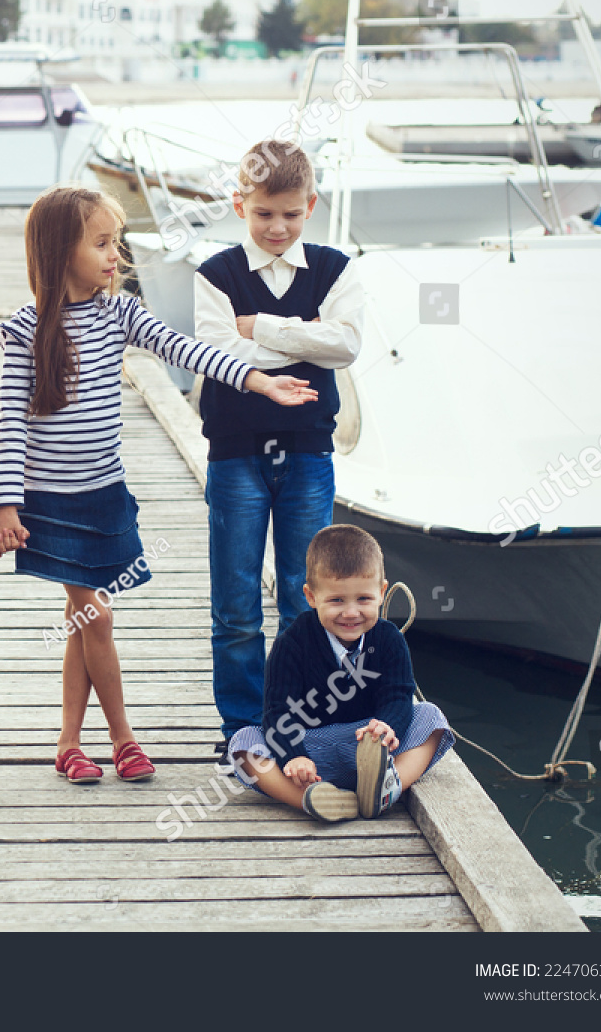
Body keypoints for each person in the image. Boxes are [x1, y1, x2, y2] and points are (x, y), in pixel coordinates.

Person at [0, 185, 317, 784]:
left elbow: (185, 350)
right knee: (95, 617)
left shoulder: (119, 312)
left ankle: (67, 743)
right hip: (52, 503)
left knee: (81, 620)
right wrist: (6, 504)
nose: (117, 256)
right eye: (103, 244)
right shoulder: (24, 330)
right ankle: (122, 738)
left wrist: (256, 380)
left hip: (105, 497)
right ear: (62, 250)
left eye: (116, 242)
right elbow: (11, 424)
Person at [192, 138, 366, 769]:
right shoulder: (214, 274)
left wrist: (258, 327)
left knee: (307, 594)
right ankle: (242, 724)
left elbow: (344, 346)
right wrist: (299, 342)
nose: (277, 227)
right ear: (241, 204)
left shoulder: (334, 268)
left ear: (310, 207)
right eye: (264, 213)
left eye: (290, 215)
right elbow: (218, 354)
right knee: (235, 601)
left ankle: (302, 720)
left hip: (308, 452)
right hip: (234, 453)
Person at [228, 524, 455, 821]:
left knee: (430, 716)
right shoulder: (293, 642)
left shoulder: (389, 640)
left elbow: (397, 695)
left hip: (368, 747)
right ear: (311, 597)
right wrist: (294, 755)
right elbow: (278, 711)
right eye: (336, 600)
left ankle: (387, 787)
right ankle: (311, 799)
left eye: (363, 599)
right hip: (310, 750)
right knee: (243, 745)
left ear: (382, 593)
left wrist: (387, 726)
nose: (351, 613)